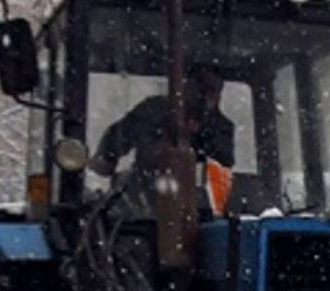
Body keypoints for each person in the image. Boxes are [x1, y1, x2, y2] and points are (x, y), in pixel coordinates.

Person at [88, 63, 235, 213]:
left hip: (192, 208)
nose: (204, 95)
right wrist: (105, 160)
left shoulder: (220, 127)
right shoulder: (153, 110)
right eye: (201, 85)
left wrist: (204, 130)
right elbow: (115, 141)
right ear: (186, 84)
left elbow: (224, 163)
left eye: (212, 89)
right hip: (139, 204)